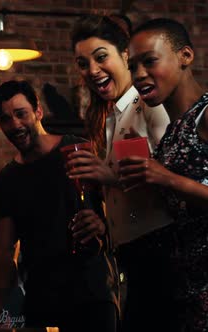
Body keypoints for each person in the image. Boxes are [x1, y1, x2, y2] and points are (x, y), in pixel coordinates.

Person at [0, 80, 119, 332]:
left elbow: (117, 202)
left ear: (38, 112)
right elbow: (4, 249)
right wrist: (0, 298)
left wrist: (103, 223)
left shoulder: (75, 149)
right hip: (43, 299)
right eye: (5, 119)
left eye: (21, 114)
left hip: (92, 292)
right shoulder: (6, 181)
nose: (15, 125)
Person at [70, 14, 173, 329]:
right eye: (83, 63)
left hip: (163, 256)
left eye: (101, 57)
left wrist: (108, 176)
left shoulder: (150, 105)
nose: (92, 70)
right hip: (130, 260)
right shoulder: (112, 117)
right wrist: (102, 222)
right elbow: (133, 195)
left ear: (125, 55)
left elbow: (176, 181)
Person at [122, 18, 208, 332]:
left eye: (150, 61)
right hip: (180, 300)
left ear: (186, 56)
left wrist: (167, 178)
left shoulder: (206, 114)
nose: (139, 74)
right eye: (132, 66)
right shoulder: (171, 134)